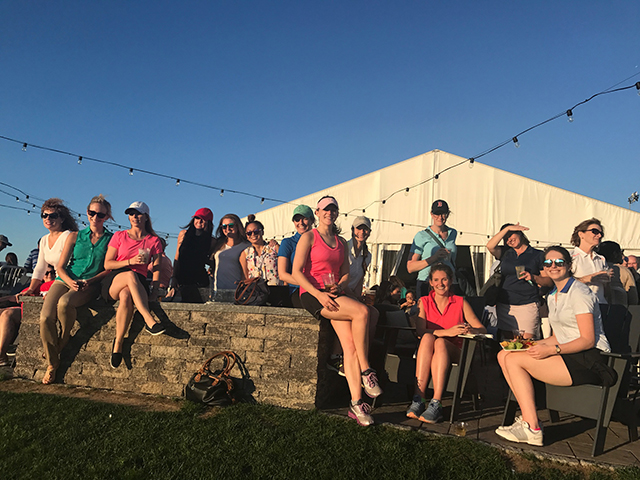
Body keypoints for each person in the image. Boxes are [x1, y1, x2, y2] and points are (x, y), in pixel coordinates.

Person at [495, 246, 612, 446]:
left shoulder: (579, 293)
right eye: (548, 263)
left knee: (514, 361)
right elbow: (558, 336)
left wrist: (551, 350)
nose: (553, 266)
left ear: (569, 265)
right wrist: (528, 344)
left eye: (559, 262)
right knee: (504, 355)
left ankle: (531, 426)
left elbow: (587, 340)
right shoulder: (552, 295)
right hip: (569, 355)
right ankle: (528, 420)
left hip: (590, 359)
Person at [292, 196, 381, 427]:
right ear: (318, 212)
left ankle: (356, 402)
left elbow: (345, 273)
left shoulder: (341, 242)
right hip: (313, 294)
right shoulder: (309, 237)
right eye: (325, 209)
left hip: (333, 293)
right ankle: (366, 370)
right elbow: (297, 271)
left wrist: (340, 286)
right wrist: (318, 293)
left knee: (350, 345)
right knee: (362, 312)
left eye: (333, 209)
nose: (329, 212)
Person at [39, 195, 114, 382]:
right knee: (45, 317)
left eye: (100, 214)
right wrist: (69, 281)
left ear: (106, 216)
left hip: (91, 283)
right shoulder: (75, 236)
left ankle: (56, 354)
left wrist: (92, 280)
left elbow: (108, 268)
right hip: (65, 279)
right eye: (92, 213)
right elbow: (61, 266)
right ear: (87, 213)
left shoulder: (111, 239)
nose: (95, 217)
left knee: (65, 303)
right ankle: (54, 355)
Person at [406, 264, 486, 423]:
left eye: (444, 279)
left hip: (456, 350)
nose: (440, 283)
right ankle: (419, 398)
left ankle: (436, 402)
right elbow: (420, 332)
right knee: (429, 338)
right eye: (436, 280)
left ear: (451, 281)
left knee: (440, 342)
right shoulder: (424, 301)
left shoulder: (460, 302)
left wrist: (470, 330)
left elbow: (481, 328)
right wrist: (447, 331)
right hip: (431, 349)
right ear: (430, 282)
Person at [103, 201, 166, 370]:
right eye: (131, 214)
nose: (134, 217)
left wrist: (154, 291)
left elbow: (158, 269)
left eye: (138, 214)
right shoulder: (119, 236)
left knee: (126, 296)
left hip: (138, 281)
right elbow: (107, 264)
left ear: (146, 217)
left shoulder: (154, 241)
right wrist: (129, 261)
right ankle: (148, 319)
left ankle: (118, 344)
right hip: (116, 277)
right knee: (129, 275)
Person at [486, 223, 552, 340]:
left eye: (511, 235)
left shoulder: (538, 255)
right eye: (506, 238)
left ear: (520, 233)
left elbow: (548, 281)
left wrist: (533, 277)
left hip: (527, 303)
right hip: (505, 304)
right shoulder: (506, 252)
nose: (509, 240)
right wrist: (507, 229)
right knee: (508, 341)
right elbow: (490, 246)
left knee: (526, 342)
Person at [0, 266, 56, 367]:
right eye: (46, 273)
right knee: (3, 313)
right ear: (41, 276)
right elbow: (17, 297)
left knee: (7, 314)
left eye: (53, 272)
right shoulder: (36, 287)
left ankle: (1, 354)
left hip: (37, 313)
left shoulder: (57, 285)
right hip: (25, 311)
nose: (50, 275)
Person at [24, 199, 78, 300]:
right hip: (58, 282)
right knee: (25, 292)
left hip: (69, 281)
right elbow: (40, 268)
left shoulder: (68, 236)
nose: (48, 218)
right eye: (44, 215)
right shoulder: (44, 240)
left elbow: (71, 265)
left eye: (53, 216)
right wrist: (31, 289)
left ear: (62, 219)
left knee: (44, 288)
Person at [407, 199, 457, 298]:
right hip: (427, 282)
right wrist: (435, 258)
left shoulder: (453, 233)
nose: (440, 217)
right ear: (431, 214)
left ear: (447, 214)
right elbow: (410, 267)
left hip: (448, 282)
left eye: (443, 214)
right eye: (436, 214)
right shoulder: (421, 236)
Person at [239, 215, 287, 306]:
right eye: (249, 233)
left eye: (256, 231)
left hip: (276, 289)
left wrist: (285, 287)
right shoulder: (245, 253)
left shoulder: (274, 248)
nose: (253, 235)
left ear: (262, 232)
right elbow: (245, 277)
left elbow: (284, 269)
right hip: (256, 292)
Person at [169, 208, 214, 303]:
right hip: (181, 279)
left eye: (203, 219)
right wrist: (174, 277)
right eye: (197, 218)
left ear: (208, 222)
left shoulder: (211, 240)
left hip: (199, 281)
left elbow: (212, 261)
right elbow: (177, 256)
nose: (199, 221)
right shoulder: (183, 234)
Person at [277, 205, 315, 308]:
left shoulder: (319, 241)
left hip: (319, 288)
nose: (301, 223)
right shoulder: (288, 243)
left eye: (305, 218)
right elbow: (282, 274)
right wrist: (309, 286)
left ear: (312, 220)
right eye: (297, 220)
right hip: (296, 290)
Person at [570, 218, 611, 306]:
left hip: (600, 305)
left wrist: (607, 280)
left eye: (601, 233)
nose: (599, 236)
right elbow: (562, 282)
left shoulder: (601, 259)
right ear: (581, 234)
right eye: (595, 231)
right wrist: (587, 279)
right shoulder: (570, 257)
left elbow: (606, 290)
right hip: (578, 305)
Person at [210, 214, 249, 292]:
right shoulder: (218, 244)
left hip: (237, 291)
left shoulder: (247, 246)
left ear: (238, 226)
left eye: (231, 225)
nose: (227, 229)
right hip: (218, 290)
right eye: (224, 226)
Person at [597, 241, 638, 306]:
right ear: (615, 254)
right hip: (619, 310)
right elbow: (633, 298)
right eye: (620, 252)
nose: (622, 256)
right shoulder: (624, 271)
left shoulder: (595, 268)